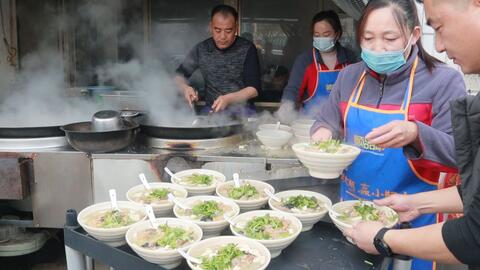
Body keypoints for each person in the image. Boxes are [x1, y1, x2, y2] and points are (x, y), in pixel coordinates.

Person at [310, 0, 467, 269]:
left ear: (414, 35)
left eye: (390, 38)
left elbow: (460, 153)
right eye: (368, 39)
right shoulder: (348, 77)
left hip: (416, 220)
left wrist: (417, 134)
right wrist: (322, 136)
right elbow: (326, 120)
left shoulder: (443, 81)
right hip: (353, 214)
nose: (377, 48)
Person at [175, 4, 261, 114]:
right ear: (211, 27)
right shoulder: (201, 49)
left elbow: (254, 89)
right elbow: (178, 75)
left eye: (228, 30)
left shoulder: (247, 48)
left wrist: (229, 99)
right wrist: (185, 88)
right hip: (212, 110)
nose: (222, 36)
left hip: (242, 110)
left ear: (236, 27)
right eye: (218, 30)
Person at [277, 10, 357, 121]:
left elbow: (359, 90)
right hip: (310, 123)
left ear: (337, 34)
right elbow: (293, 89)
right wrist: (286, 106)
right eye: (317, 35)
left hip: (343, 122)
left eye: (326, 35)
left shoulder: (350, 58)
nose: (321, 38)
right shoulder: (305, 60)